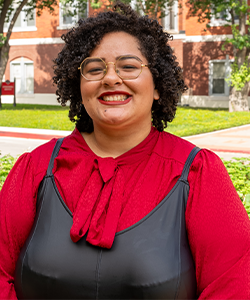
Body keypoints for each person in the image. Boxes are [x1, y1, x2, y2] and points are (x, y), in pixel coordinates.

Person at [0, 2, 250, 299]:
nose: (110, 78)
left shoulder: (197, 174)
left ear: (157, 85)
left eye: (129, 66)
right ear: (78, 85)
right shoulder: (36, 169)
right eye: (94, 69)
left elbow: (233, 284)